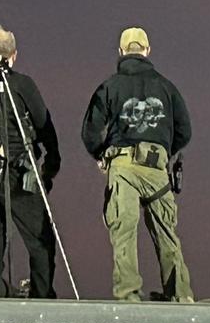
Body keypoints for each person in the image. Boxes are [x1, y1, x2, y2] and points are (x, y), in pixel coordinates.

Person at [81, 26, 193, 302]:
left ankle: (129, 296)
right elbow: (185, 130)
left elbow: (90, 131)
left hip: (123, 168)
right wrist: (164, 150)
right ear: (147, 51)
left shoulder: (109, 86)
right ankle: (180, 296)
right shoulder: (167, 87)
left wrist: (101, 154)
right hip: (157, 170)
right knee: (167, 236)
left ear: (121, 52)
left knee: (124, 235)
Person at [0, 27, 62, 297]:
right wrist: (51, 163)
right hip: (17, 173)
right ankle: (41, 298)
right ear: (13, 56)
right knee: (40, 242)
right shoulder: (22, 84)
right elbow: (43, 124)